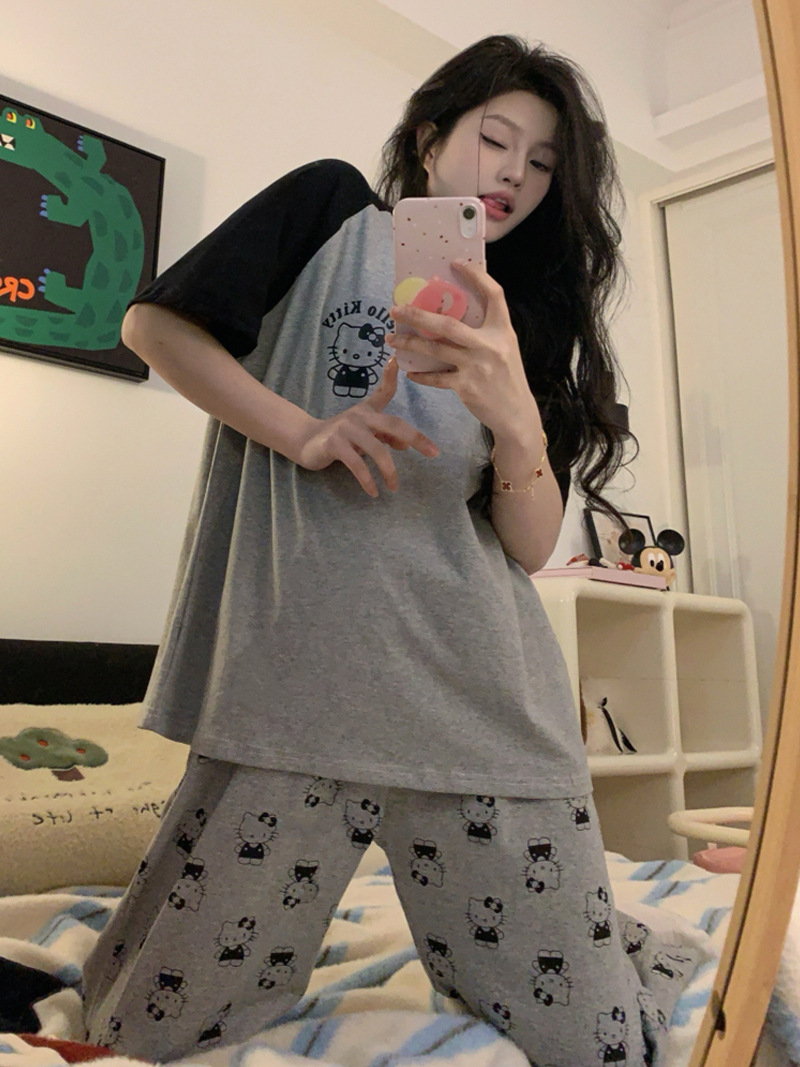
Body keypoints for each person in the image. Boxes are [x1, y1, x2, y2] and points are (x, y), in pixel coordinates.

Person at [82, 35, 691, 1066]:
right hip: (294, 696)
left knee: (595, 1044)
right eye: (495, 139)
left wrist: (517, 418)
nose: (513, 173)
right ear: (427, 137)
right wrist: (304, 432)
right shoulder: (330, 211)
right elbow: (154, 327)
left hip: (480, 704)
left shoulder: (523, 308)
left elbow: (526, 544)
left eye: (542, 162)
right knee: (144, 1029)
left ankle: (624, 940)